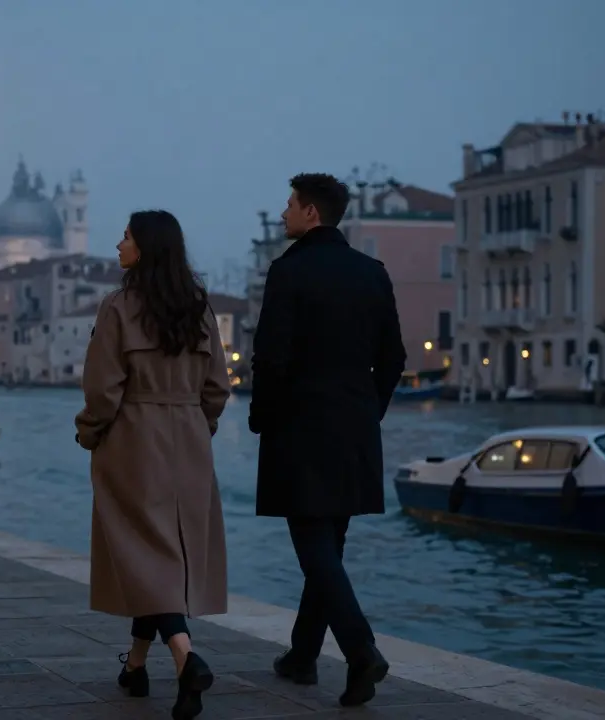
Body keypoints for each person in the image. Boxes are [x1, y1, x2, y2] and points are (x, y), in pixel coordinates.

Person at [249, 173, 406, 707]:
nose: (285, 212)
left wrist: (260, 417)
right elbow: (394, 358)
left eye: (290, 204)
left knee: (313, 545)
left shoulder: (287, 272)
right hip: (355, 427)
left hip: (299, 426)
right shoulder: (373, 273)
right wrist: (370, 411)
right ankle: (302, 657)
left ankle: (361, 651)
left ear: (312, 212)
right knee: (329, 545)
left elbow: (270, 356)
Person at [75, 209, 231, 720]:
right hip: (189, 440)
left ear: (143, 248)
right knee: (164, 553)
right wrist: (196, 425)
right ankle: (135, 667)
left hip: (132, 439)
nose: (118, 245)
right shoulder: (199, 307)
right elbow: (218, 387)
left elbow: (103, 388)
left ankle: (186, 657)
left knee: (144, 551)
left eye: (125, 237)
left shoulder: (117, 306)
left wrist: (90, 432)